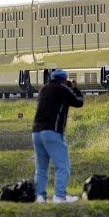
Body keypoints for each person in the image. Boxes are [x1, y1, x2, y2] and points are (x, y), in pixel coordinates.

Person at [32, 68, 84, 204]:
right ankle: (59, 196)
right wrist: (75, 88)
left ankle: (39, 196)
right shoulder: (62, 89)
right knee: (63, 165)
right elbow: (78, 102)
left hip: (36, 132)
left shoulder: (44, 89)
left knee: (41, 168)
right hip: (52, 132)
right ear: (63, 79)